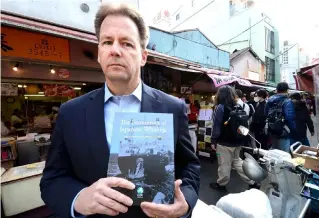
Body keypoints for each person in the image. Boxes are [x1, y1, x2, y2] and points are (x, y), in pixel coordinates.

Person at [40, 3, 200, 218]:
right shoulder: (71, 113)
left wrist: (185, 204)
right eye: (107, 42)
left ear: (143, 56)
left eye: (126, 43)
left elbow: (190, 166)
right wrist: (79, 198)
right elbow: (52, 178)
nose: (115, 50)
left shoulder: (171, 107)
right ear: (99, 53)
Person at [210, 85, 256, 192]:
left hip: (224, 142)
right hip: (237, 141)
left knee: (224, 164)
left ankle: (221, 184)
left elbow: (216, 126)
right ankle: (252, 181)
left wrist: (213, 140)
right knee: (237, 162)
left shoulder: (220, 107)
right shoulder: (238, 105)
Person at [265, 82, 296, 152]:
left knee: (274, 152)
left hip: (271, 129)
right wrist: (293, 129)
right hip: (283, 131)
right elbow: (290, 117)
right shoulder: (287, 101)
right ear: (287, 90)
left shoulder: (269, 100)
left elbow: (266, 113)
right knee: (284, 154)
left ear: (277, 90)